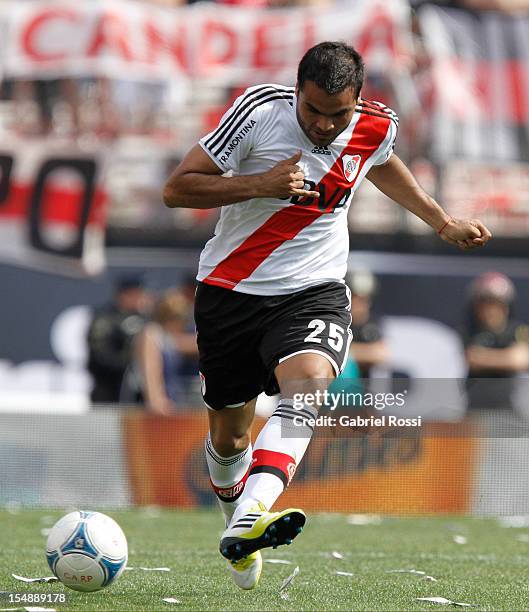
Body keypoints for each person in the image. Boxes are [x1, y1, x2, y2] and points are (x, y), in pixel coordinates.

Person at [162, 41, 491, 589]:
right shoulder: (259, 112)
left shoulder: (374, 125)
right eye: (312, 110)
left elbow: (381, 163)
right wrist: (260, 185)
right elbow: (177, 189)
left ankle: (251, 514)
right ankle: (237, 530)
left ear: (357, 100)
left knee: (311, 385)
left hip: (313, 289)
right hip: (231, 291)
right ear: (297, 91)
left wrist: (441, 220)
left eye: (337, 114)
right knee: (229, 440)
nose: (322, 124)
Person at [121, 289, 199, 413]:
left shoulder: (167, 338)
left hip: (170, 403)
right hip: (150, 409)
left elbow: (192, 344)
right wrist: (156, 399)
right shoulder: (151, 335)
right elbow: (150, 370)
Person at [463, 272, 529, 410]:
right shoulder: (466, 331)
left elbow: (521, 360)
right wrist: (505, 357)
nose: (491, 310)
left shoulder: (519, 330)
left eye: (497, 304)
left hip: (509, 410)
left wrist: (484, 357)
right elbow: (469, 358)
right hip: (474, 409)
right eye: (485, 303)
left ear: (506, 306)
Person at [87, 275, 151, 404]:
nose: (140, 298)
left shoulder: (145, 318)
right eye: (135, 294)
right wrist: (127, 364)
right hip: (109, 388)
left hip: (137, 390)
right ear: (124, 295)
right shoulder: (105, 318)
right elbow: (99, 354)